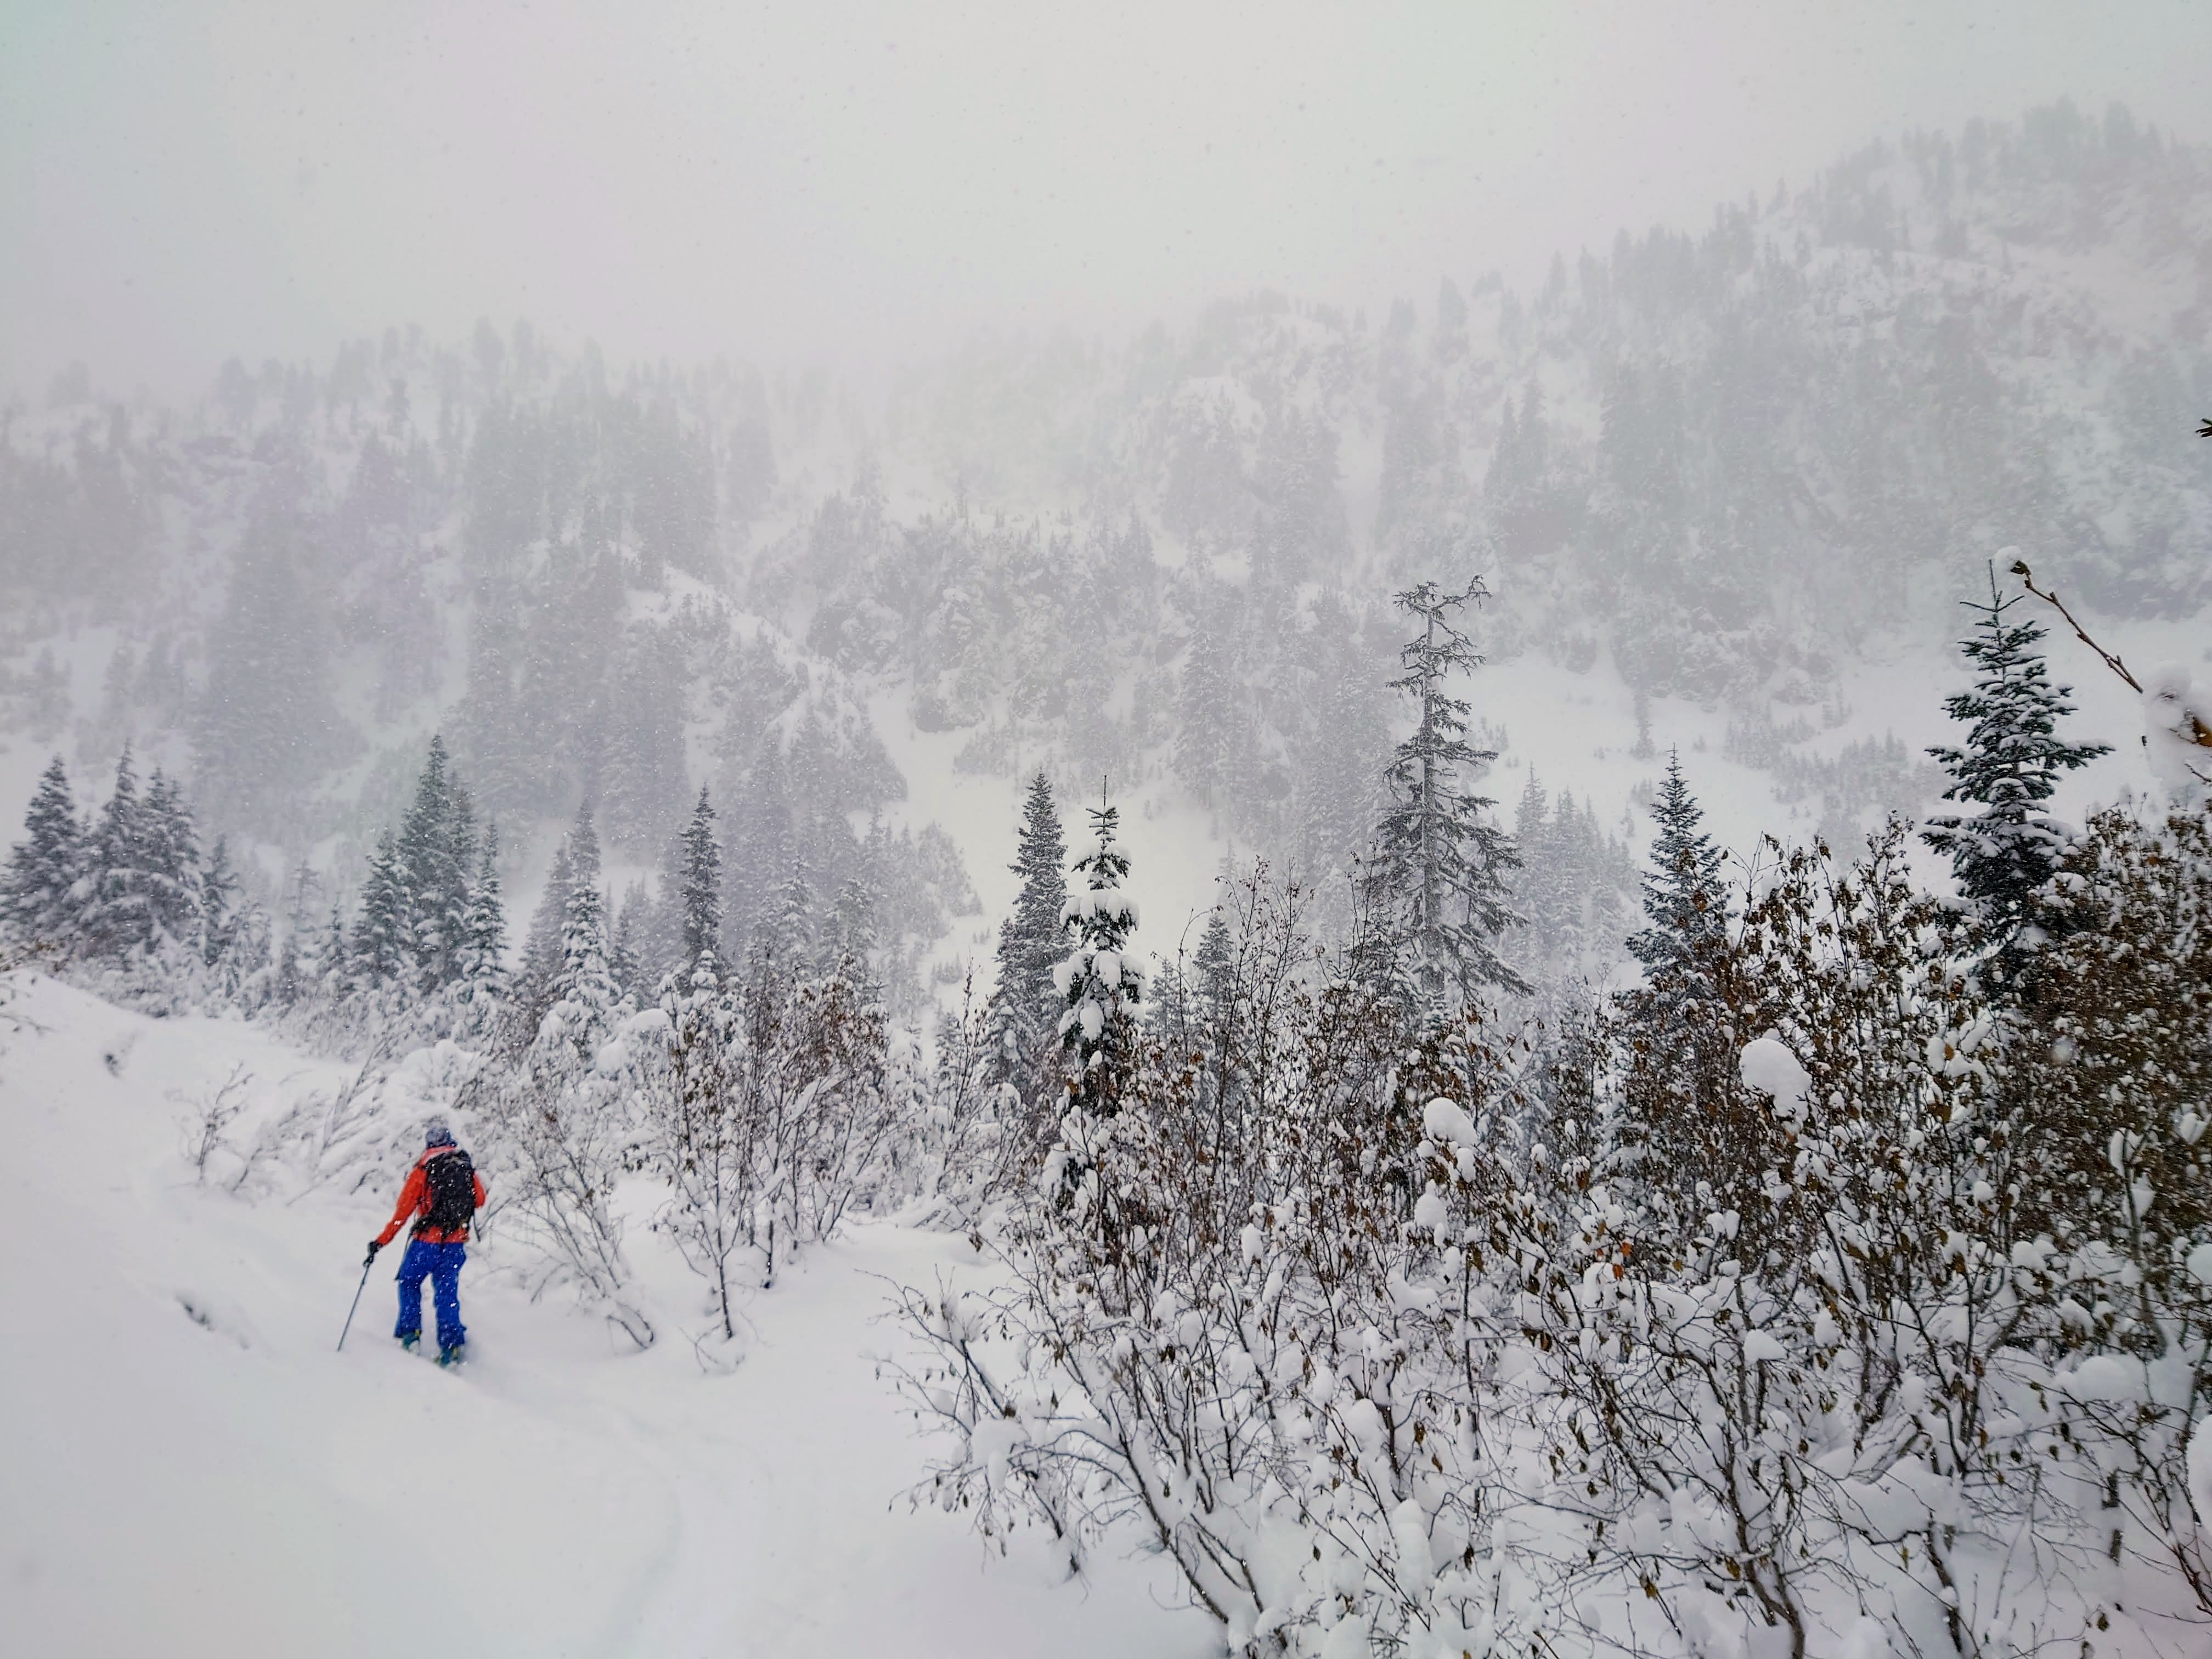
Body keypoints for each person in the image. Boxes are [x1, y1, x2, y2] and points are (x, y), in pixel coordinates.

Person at [364, 1117, 486, 1365]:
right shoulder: (463, 1166)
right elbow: (480, 1199)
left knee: (409, 1282)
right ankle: (451, 1347)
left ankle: (411, 1334)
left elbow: (402, 1213)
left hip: (425, 1244)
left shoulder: (423, 1170)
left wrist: (381, 1241)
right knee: (447, 1293)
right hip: (454, 1244)